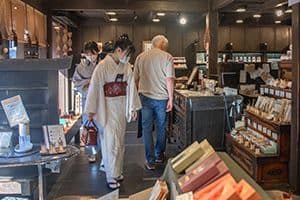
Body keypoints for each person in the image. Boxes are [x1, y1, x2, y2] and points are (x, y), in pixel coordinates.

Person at [85, 34, 141, 189]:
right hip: (106, 107)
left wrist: (133, 107)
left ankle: (113, 169)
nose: (128, 57)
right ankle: (111, 175)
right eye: (127, 53)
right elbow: (95, 87)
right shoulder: (102, 66)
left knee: (119, 141)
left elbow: (130, 87)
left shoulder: (125, 67)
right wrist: (91, 110)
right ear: (118, 50)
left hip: (121, 106)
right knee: (111, 142)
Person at [134, 35, 175, 170]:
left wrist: (136, 98)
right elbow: (169, 79)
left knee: (146, 129)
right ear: (162, 44)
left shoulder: (140, 57)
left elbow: (135, 80)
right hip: (162, 98)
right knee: (161, 127)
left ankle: (150, 161)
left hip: (144, 97)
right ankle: (159, 155)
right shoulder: (167, 57)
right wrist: (171, 98)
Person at [72, 41, 101, 163]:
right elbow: (76, 82)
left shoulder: (104, 63)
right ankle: (92, 152)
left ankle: (104, 150)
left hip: (102, 99)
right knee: (89, 126)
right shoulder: (81, 66)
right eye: (88, 54)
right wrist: (89, 81)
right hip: (87, 98)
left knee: (103, 125)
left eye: (92, 53)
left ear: (97, 52)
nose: (90, 56)